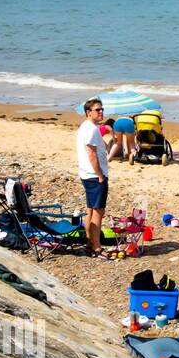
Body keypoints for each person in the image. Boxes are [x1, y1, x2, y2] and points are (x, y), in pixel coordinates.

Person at [77, 98, 110, 255]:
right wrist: (100, 175)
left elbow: (95, 147)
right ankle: (96, 246)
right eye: (97, 110)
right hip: (93, 175)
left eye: (102, 109)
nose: (101, 112)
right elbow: (91, 153)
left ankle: (90, 240)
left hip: (86, 174)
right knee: (98, 211)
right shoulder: (90, 128)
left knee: (90, 209)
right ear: (88, 113)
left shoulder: (88, 127)